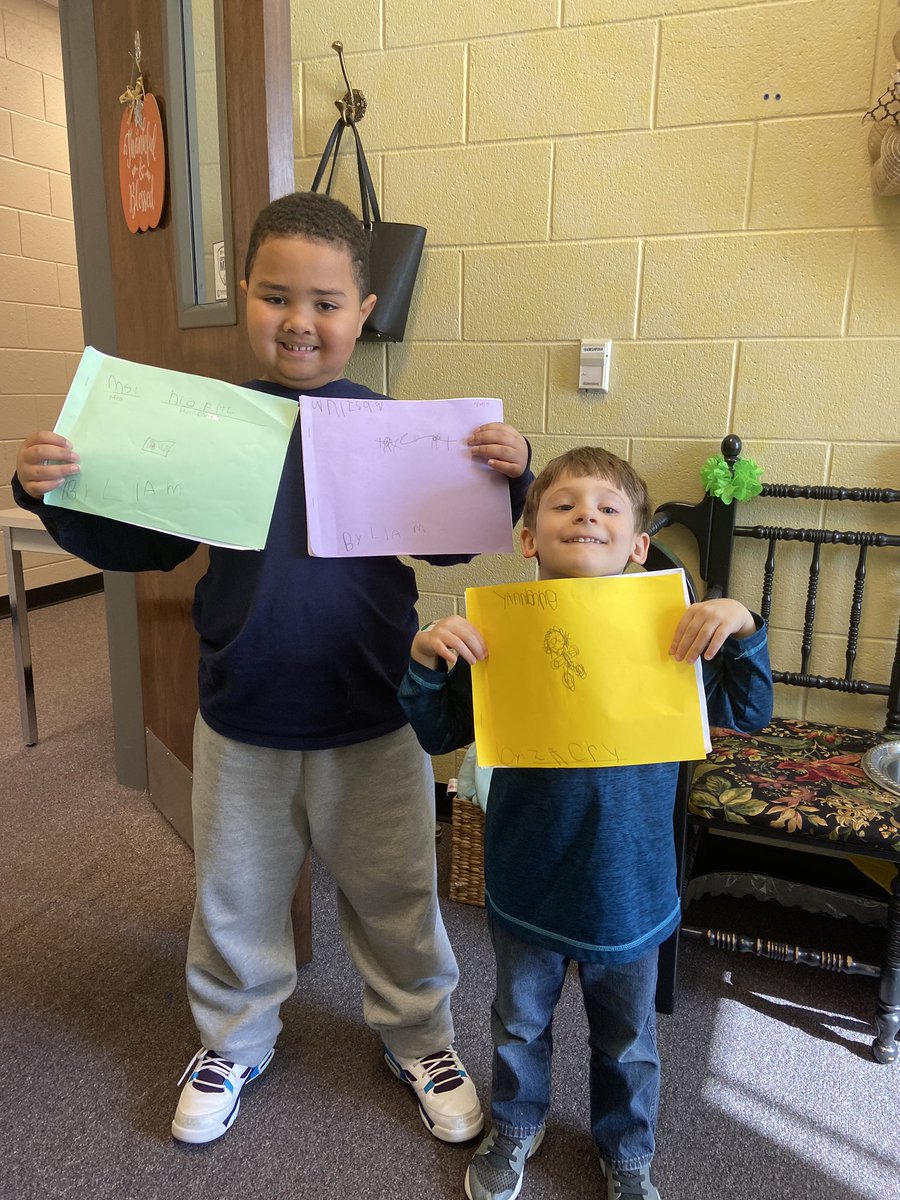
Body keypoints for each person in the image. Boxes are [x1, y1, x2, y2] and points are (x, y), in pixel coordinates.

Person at [13, 191, 534, 1147]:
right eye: (275, 296)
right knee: (236, 898)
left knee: (398, 895)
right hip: (244, 715)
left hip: (374, 714)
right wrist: (51, 492)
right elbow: (142, 543)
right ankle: (233, 1039)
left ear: (363, 311)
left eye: (326, 303)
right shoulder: (216, 428)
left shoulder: (390, 428)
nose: (300, 321)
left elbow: (456, 541)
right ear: (244, 296)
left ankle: (420, 1037)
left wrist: (512, 472)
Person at [398, 447, 773, 1200]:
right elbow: (439, 734)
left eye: (607, 508)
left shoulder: (673, 634)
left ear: (638, 545)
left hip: (628, 886)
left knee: (628, 1042)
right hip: (528, 877)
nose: (586, 517)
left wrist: (742, 625)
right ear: (528, 537)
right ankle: (516, 1125)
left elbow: (748, 711)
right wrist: (425, 661)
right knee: (517, 1025)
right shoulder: (496, 636)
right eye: (564, 505)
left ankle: (628, 1153)